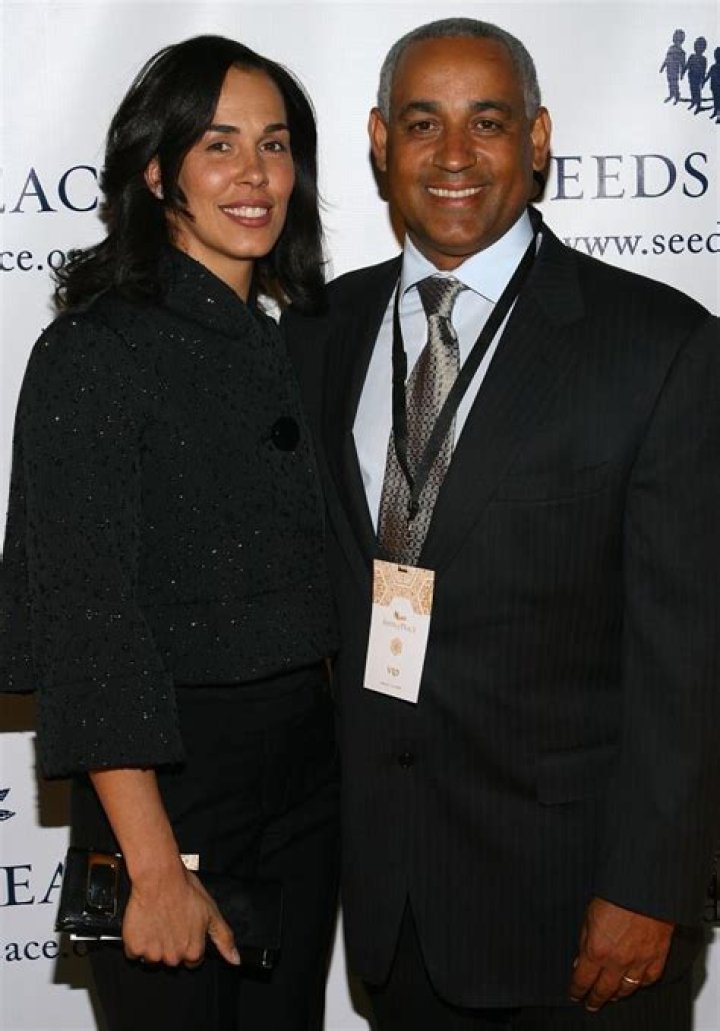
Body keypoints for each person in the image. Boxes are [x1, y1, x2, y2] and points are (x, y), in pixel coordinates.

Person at [283, 17, 720, 1031]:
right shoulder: (317, 332)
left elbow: (692, 655)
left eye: (487, 121)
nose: (454, 155)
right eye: (422, 123)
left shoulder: (659, 346)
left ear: (539, 137)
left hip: (584, 913)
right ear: (380, 141)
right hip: (393, 905)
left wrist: (652, 884)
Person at [0, 34, 339, 1031]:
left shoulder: (286, 344)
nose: (254, 173)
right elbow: (86, 617)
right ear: (156, 173)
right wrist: (150, 864)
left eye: (274, 145)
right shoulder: (93, 351)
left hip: (307, 786)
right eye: (218, 145)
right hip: (166, 787)